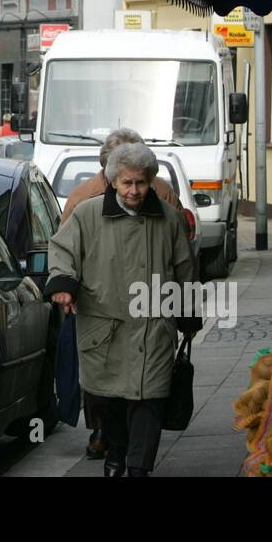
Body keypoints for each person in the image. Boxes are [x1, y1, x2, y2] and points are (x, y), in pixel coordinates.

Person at [48, 142, 202, 477]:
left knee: (150, 399)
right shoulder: (88, 214)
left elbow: (184, 268)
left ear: (151, 181)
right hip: (105, 328)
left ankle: (138, 467)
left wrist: (189, 314)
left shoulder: (168, 218)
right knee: (110, 399)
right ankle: (116, 449)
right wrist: (62, 284)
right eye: (127, 183)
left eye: (141, 183)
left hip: (153, 326)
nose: (134, 190)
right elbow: (62, 251)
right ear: (114, 181)